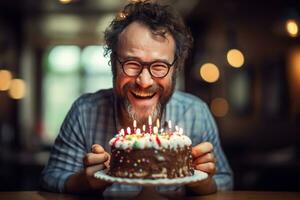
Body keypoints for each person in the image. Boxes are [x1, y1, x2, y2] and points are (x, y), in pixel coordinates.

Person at [40, 0, 233, 196]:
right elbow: (51, 177)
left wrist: (202, 183)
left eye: (159, 66)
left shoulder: (195, 113)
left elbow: (224, 181)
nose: (144, 81)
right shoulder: (84, 112)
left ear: (175, 69)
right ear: (114, 63)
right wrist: (84, 181)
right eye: (132, 63)